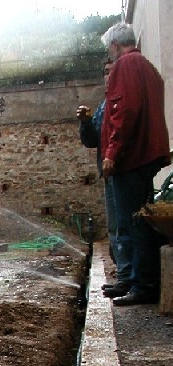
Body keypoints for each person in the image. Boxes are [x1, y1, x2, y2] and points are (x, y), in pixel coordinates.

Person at [100, 21, 170, 306]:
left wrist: (112, 153)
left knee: (133, 223)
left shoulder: (125, 65)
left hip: (131, 158)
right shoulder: (148, 67)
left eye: (110, 49)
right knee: (139, 220)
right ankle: (132, 280)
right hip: (148, 155)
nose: (110, 54)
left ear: (116, 45)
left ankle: (143, 286)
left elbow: (124, 110)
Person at [77, 59, 131, 296]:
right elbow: (92, 140)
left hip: (125, 171)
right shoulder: (103, 107)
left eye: (112, 72)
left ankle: (130, 278)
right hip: (109, 173)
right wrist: (86, 122)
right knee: (114, 226)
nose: (109, 76)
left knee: (126, 225)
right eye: (106, 72)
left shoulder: (125, 101)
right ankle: (124, 275)